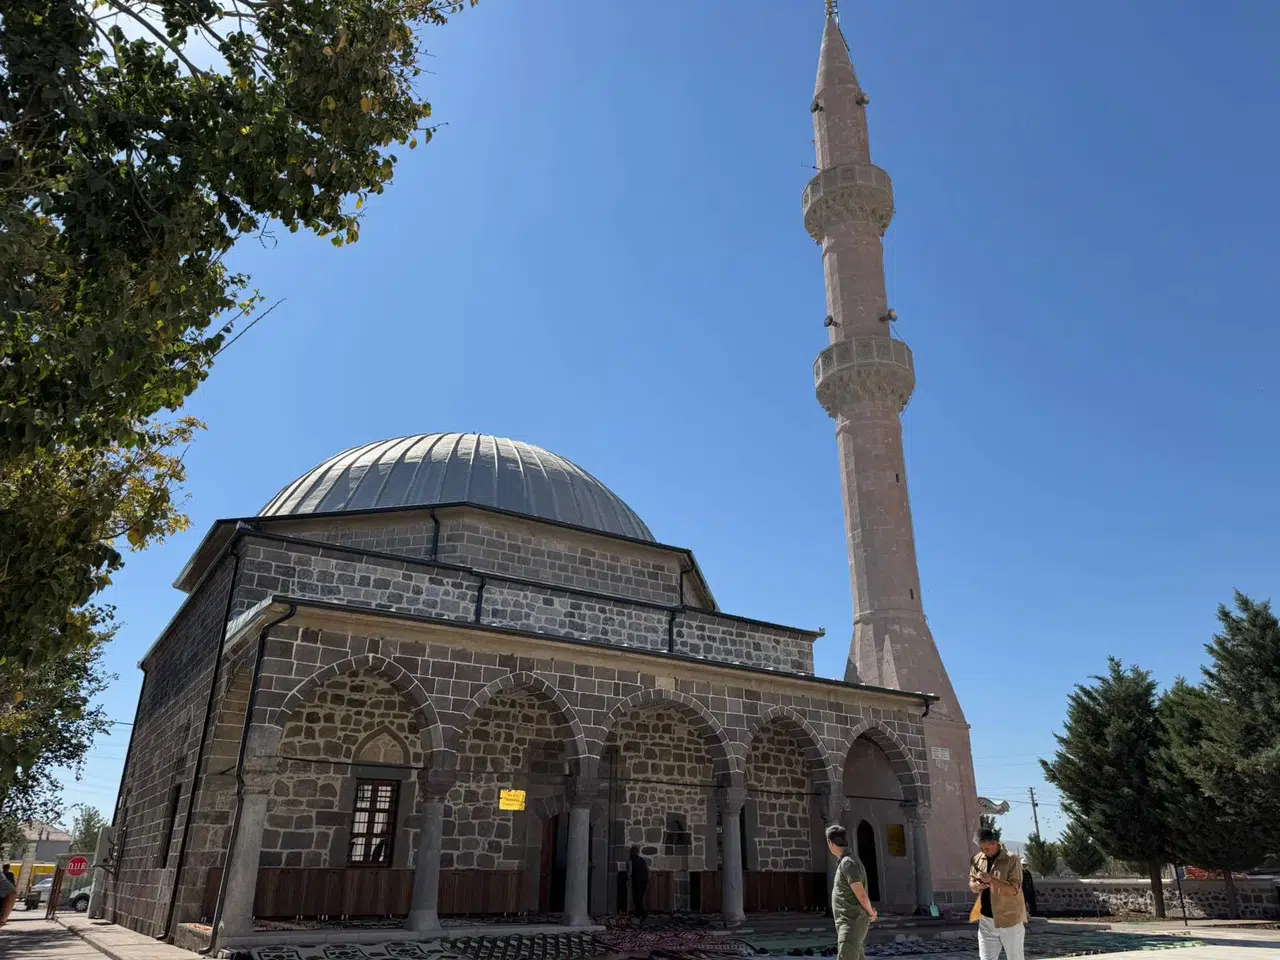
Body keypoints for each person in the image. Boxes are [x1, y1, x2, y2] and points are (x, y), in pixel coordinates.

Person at [969, 829, 1027, 960]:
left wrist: (992, 880)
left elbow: (1014, 889)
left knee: (1015, 957)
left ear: (995, 843)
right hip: (986, 920)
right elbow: (971, 884)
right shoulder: (977, 859)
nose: (984, 852)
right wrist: (978, 886)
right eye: (981, 848)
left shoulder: (1011, 859)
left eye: (987, 848)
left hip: (1009, 919)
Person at [826, 824, 877, 960]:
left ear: (830, 843)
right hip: (850, 924)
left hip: (851, 924)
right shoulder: (847, 861)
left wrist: (871, 912)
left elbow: (860, 894)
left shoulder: (848, 863)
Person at [629, 845, 649, 923]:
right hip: (643, 881)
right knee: (639, 899)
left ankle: (642, 913)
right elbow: (646, 870)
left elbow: (630, 872)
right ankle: (638, 914)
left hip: (637, 881)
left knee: (636, 899)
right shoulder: (641, 860)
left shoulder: (631, 860)